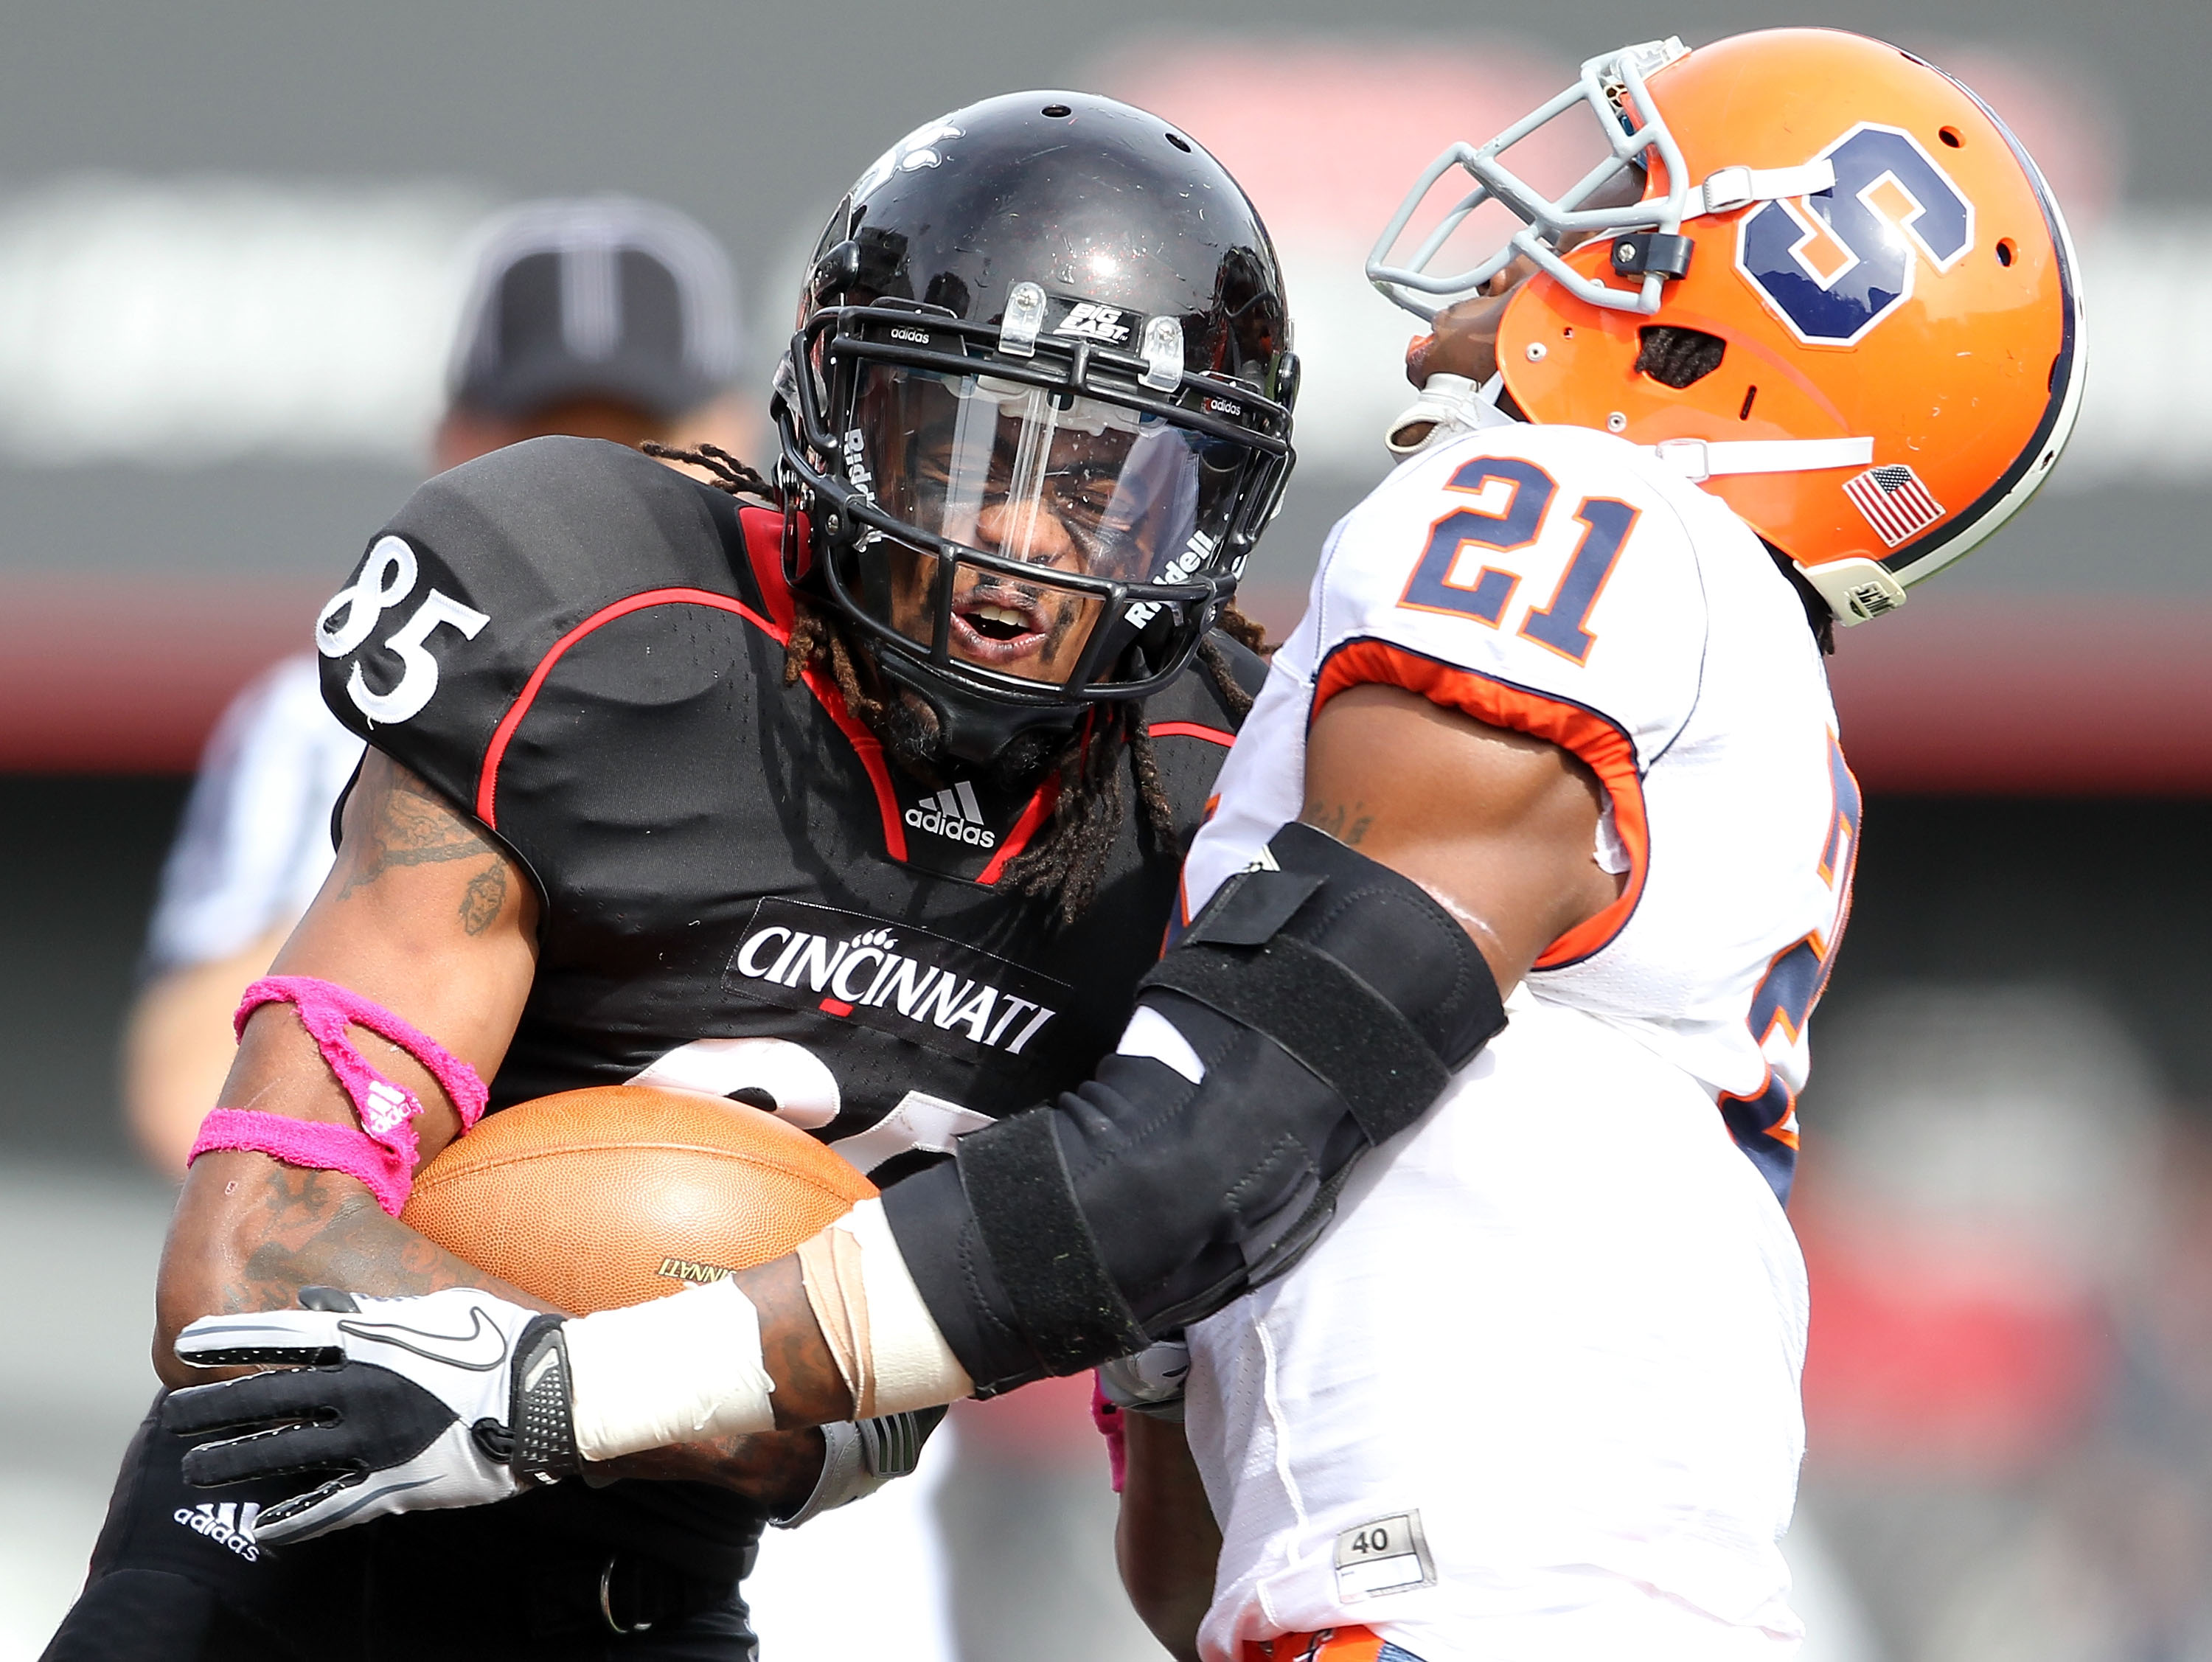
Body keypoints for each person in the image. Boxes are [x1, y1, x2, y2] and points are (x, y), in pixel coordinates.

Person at [156, 26, 2086, 1661]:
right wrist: (1145, 1332)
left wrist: (591, 1385)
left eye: (1617, 220)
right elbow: (1174, 1536)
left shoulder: (1549, 529)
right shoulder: (1692, 660)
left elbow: (1232, 1119)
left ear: (1714, 343)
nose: (1520, 259)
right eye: (963, 443)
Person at [47, 95, 1298, 1662]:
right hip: (289, 1537)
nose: (1011, 539)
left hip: (650, 1591)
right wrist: (706, 1389)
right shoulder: (601, 626)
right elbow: (247, 1258)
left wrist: (1079, 1342)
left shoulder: (1208, 809)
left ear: (1210, 511)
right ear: (846, 417)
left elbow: (1195, 1584)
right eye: (959, 443)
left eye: (1105, 481)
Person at [122, 195, 752, 1175]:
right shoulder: (334, 712)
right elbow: (184, 1089)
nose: (595, 496)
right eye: (542, 452)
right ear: (450, 447)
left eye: (635, 447)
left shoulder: (823, 713)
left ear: (730, 435)